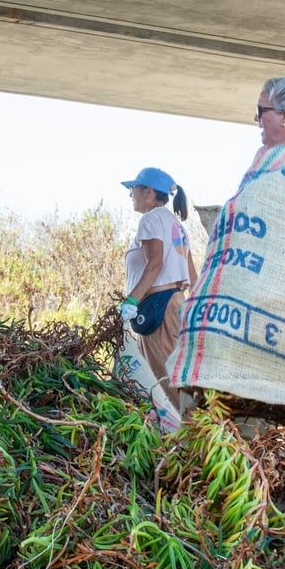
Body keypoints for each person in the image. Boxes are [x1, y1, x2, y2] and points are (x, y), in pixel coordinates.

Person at [119, 167, 198, 411]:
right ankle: (192, 437)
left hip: (159, 309)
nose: (131, 194)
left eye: (134, 189)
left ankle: (190, 441)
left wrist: (131, 301)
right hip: (175, 305)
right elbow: (192, 275)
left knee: (165, 385)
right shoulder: (175, 225)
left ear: (149, 191)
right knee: (178, 380)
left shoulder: (151, 219)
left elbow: (155, 264)